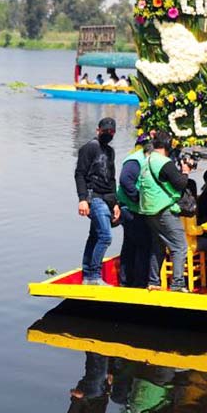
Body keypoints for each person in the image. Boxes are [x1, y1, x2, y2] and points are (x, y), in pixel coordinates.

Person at [138, 131, 192, 292]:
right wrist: (186, 171)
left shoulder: (147, 160)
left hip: (148, 210)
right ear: (168, 145)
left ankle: (154, 282)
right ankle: (177, 284)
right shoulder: (163, 162)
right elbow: (181, 184)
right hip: (164, 209)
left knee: (158, 245)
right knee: (179, 246)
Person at [75, 117, 121, 285]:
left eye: (111, 132)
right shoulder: (89, 148)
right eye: (105, 131)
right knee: (106, 236)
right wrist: (82, 199)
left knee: (95, 236)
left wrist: (115, 202)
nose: (108, 134)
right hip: (93, 196)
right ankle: (94, 275)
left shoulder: (110, 151)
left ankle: (87, 275)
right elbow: (79, 174)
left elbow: (112, 179)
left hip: (106, 198)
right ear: (98, 130)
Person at [116, 133, 152, 288]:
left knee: (130, 245)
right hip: (130, 208)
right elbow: (125, 180)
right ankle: (138, 283)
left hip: (134, 209)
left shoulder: (143, 159)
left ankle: (127, 280)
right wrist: (137, 198)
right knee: (142, 245)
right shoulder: (135, 160)